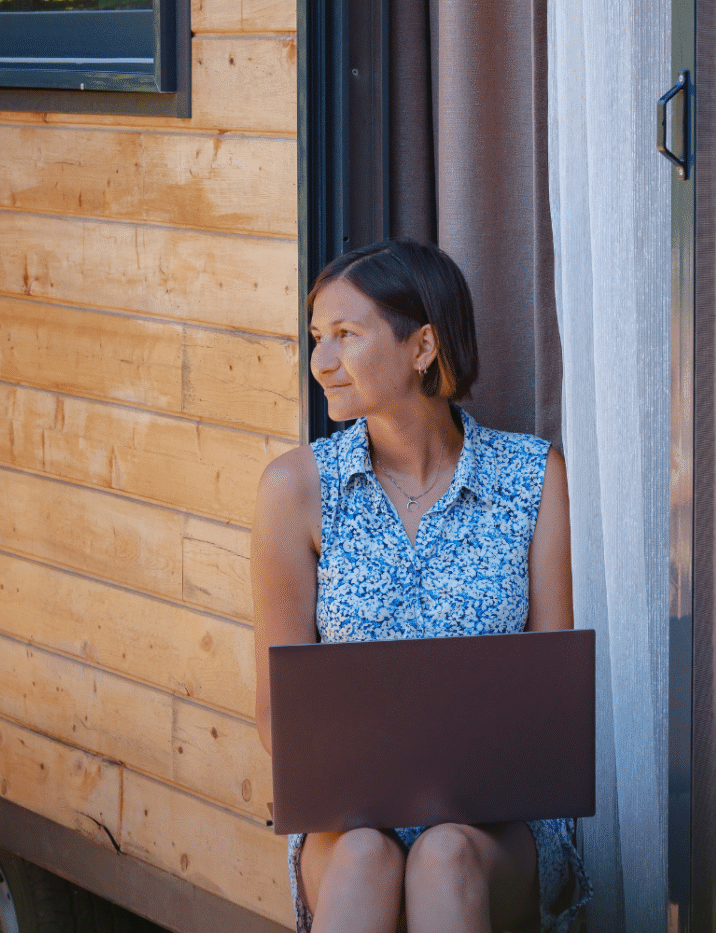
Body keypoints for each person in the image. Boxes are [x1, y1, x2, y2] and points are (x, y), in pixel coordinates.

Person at [250, 238, 591, 933]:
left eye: (346, 334)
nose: (321, 361)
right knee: (365, 860)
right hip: (350, 824)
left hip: (497, 828)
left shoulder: (532, 477)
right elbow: (275, 715)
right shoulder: (295, 490)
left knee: (444, 856)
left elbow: (552, 702)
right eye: (317, 337)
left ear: (423, 346)